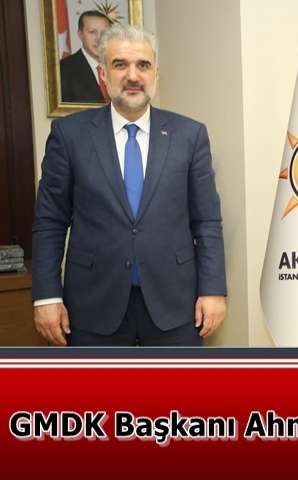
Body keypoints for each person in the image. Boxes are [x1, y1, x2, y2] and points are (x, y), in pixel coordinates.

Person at [33, 24, 227, 346]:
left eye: (143, 65)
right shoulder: (69, 136)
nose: (133, 76)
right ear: (103, 74)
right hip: (92, 305)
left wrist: (213, 290)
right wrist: (46, 296)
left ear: (155, 74)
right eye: (120, 64)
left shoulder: (190, 136)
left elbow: (206, 221)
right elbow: (50, 221)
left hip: (175, 304)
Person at [60, 10, 111, 103]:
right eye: (92, 32)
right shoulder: (63, 70)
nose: (99, 39)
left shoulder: (119, 67)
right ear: (80, 34)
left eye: (104, 33)